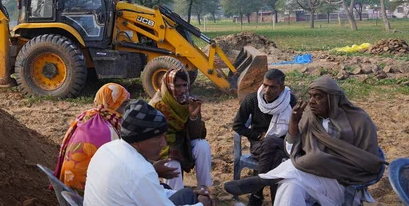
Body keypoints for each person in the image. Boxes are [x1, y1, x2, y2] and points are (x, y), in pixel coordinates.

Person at [224, 76, 385, 206]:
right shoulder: (310, 117)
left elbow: (369, 161)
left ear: (332, 99)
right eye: (311, 96)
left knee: (316, 158)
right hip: (309, 174)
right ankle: (265, 180)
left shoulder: (359, 120)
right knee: (290, 185)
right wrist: (294, 122)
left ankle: (263, 180)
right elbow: (291, 151)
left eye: (318, 97)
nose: (312, 101)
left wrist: (331, 163)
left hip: (342, 182)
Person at [84, 99, 215, 206]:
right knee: (194, 199)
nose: (164, 144)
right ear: (137, 140)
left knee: (187, 194)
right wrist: (202, 204)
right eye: (158, 137)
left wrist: (193, 193)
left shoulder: (106, 149)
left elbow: (149, 192)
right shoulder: (140, 171)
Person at [232, 68, 296, 205]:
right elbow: (237, 126)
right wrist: (257, 135)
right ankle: (275, 200)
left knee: (271, 141)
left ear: (282, 87)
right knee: (275, 155)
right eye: (265, 85)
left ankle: (256, 194)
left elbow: (298, 126)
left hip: (283, 143)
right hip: (259, 145)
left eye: (272, 87)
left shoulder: (290, 100)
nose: (267, 90)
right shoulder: (252, 99)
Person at [53, 83, 131, 193]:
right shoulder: (104, 130)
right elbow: (116, 168)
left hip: (70, 187)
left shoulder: (88, 116)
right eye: (123, 105)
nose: (126, 111)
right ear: (112, 105)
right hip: (84, 193)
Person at [149, 68, 212, 191]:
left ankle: (204, 188)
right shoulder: (157, 106)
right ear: (169, 86)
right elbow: (154, 139)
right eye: (178, 86)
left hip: (184, 143)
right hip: (165, 148)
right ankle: (175, 196)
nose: (182, 90)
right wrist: (175, 146)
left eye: (185, 85)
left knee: (203, 146)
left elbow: (197, 135)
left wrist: (193, 116)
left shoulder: (189, 103)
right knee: (173, 163)